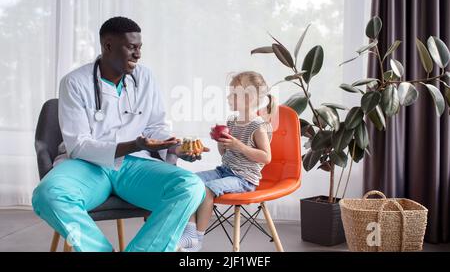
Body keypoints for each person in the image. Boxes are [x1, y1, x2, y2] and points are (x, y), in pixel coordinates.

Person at [32, 17, 209, 252]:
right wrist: (134, 145)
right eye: (131, 47)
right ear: (108, 46)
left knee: (191, 187)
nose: (138, 54)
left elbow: (156, 125)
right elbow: (79, 145)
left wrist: (175, 148)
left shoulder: (145, 78)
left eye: (140, 48)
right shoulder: (74, 82)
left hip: (133, 166)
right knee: (46, 195)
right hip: (86, 165)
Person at [177, 71, 276, 251]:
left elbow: (266, 157)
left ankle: (198, 238)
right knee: (189, 182)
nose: (228, 97)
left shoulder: (257, 126)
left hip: (244, 178)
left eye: (233, 93)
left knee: (207, 191)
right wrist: (221, 142)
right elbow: (224, 153)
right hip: (225, 170)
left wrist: (239, 145)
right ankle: (189, 232)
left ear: (248, 99)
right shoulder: (232, 121)